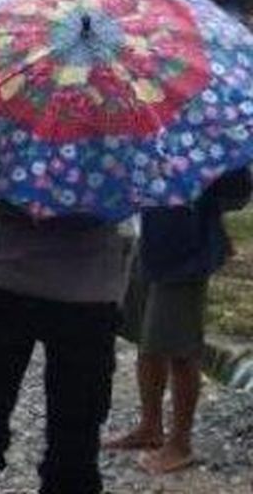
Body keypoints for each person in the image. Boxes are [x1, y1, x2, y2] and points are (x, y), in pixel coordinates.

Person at [0, 202, 136, 494]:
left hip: (9, 275)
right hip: (89, 290)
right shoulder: (116, 171)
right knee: (78, 416)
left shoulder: (17, 169)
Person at [105, 168, 252, 475]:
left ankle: (180, 444)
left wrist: (198, 193)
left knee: (180, 348)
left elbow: (238, 189)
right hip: (148, 241)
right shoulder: (148, 139)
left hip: (184, 253)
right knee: (147, 341)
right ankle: (150, 427)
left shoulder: (200, 144)